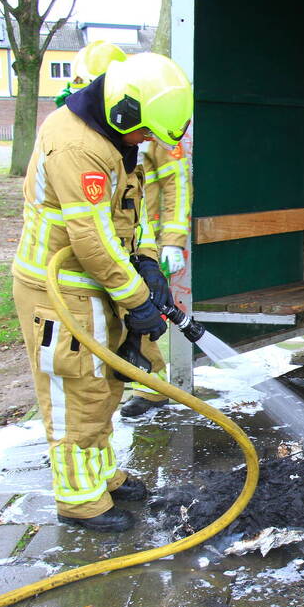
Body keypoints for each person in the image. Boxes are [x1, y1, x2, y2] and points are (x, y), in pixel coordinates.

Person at [12, 52, 193, 532]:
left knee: (105, 385)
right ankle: (79, 500)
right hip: (64, 291)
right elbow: (90, 240)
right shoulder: (76, 146)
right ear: (124, 112)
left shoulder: (114, 135)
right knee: (76, 391)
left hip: (97, 283)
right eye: (146, 131)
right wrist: (138, 303)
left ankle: (102, 476)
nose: (150, 142)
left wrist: (149, 263)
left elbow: (129, 212)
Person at [119, 135, 193, 417]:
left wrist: (173, 240)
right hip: (109, 239)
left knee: (142, 312)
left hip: (145, 244)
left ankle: (151, 387)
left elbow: (177, 186)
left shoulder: (155, 134)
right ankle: (147, 383)